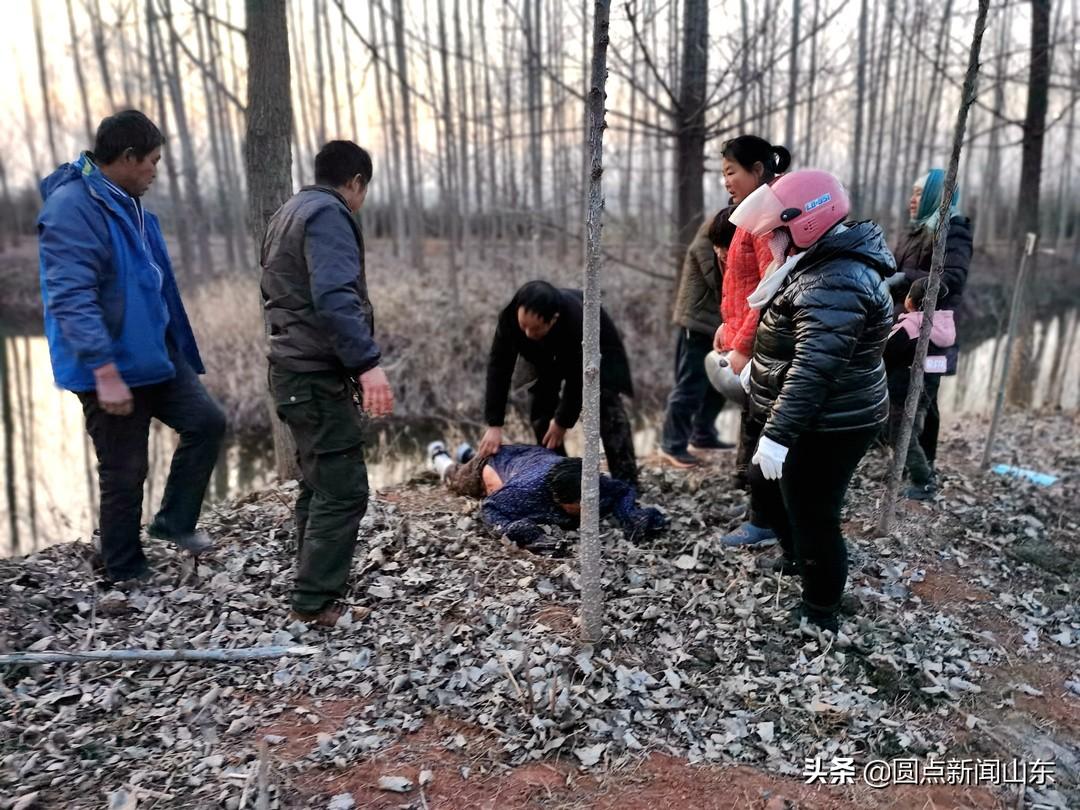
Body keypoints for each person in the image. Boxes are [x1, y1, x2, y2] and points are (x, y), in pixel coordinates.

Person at [37, 110, 225, 585]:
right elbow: (70, 296)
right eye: (153, 161)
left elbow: (149, 282)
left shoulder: (127, 201)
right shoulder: (72, 208)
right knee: (125, 472)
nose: (156, 172)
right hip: (110, 366)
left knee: (206, 423)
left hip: (154, 356)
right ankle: (124, 569)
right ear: (126, 157)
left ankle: (174, 521)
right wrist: (103, 370)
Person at [733, 169, 895, 632]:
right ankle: (796, 560)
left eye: (778, 229)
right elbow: (791, 342)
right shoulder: (814, 261)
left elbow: (815, 366)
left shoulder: (837, 277)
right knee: (777, 492)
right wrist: (757, 376)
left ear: (807, 220)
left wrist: (778, 436)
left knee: (814, 512)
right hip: (809, 410)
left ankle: (820, 609)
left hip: (833, 421)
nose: (771, 239)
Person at [260, 140, 394, 628]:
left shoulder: (288, 212)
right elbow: (335, 297)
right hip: (314, 375)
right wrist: (367, 364)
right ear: (355, 182)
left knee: (319, 482)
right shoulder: (329, 215)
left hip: (293, 371)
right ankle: (315, 602)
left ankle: (310, 583)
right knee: (343, 488)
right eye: (364, 190)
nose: (361, 200)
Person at [711, 135, 792, 547]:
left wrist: (743, 345)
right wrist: (729, 328)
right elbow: (741, 286)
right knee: (756, 428)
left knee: (767, 432)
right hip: (748, 339)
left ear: (758, 171)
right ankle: (763, 515)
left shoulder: (766, 218)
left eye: (731, 172)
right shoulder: (749, 215)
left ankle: (765, 523)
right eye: (723, 172)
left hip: (766, 347)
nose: (725, 180)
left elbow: (770, 287)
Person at [478, 281, 638, 486]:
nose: (527, 333)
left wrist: (563, 420)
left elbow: (578, 378)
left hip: (597, 349)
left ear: (553, 319)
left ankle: (627, 484)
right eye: (523, 325)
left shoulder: (575, 319)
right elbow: (498, 368)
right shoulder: (509, 319)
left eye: (534, 328)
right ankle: (562, 481)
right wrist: (494, 423)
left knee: (607, 406)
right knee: (541, 415)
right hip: (544, 356)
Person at [428, 441, 666, 553]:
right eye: (581, 505)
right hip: (497, 463)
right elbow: (491, 508)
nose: (590, 507)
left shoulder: (595, 483)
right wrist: (520, 530)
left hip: (532, 456)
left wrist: (630, 515)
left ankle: (467, 450)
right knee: (458, 480)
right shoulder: (525, 492)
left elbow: (622, 490)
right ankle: (440, 455)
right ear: (560, 500)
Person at [888, 169, 973, 473]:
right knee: (899, 393)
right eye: (912, 192)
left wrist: (904, 279)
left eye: (920, 193)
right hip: (906, 330)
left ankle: (926, 464)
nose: (912, 200)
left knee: (927, 397)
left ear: (938, 196)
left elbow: (952, 278)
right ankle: (903, 458)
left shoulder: (953, 230)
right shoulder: (914, 230)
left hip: (936, 336)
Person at [659, 208, 737, 468]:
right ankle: (672, 443)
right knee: (691, 384)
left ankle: (703, 433)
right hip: (699, 322)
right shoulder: (714, 235)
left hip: (720, 322)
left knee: (720, 382)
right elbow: (723, 280)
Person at [884, 277, 956, 500]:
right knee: (911, 429)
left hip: (902, 391)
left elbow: (885, 354)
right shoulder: (944, 326)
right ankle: (905, 467)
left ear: (911, 302)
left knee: (898, 434)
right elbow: (936, 363)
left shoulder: (911, 327)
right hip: (928, 390)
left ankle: (923, 480)